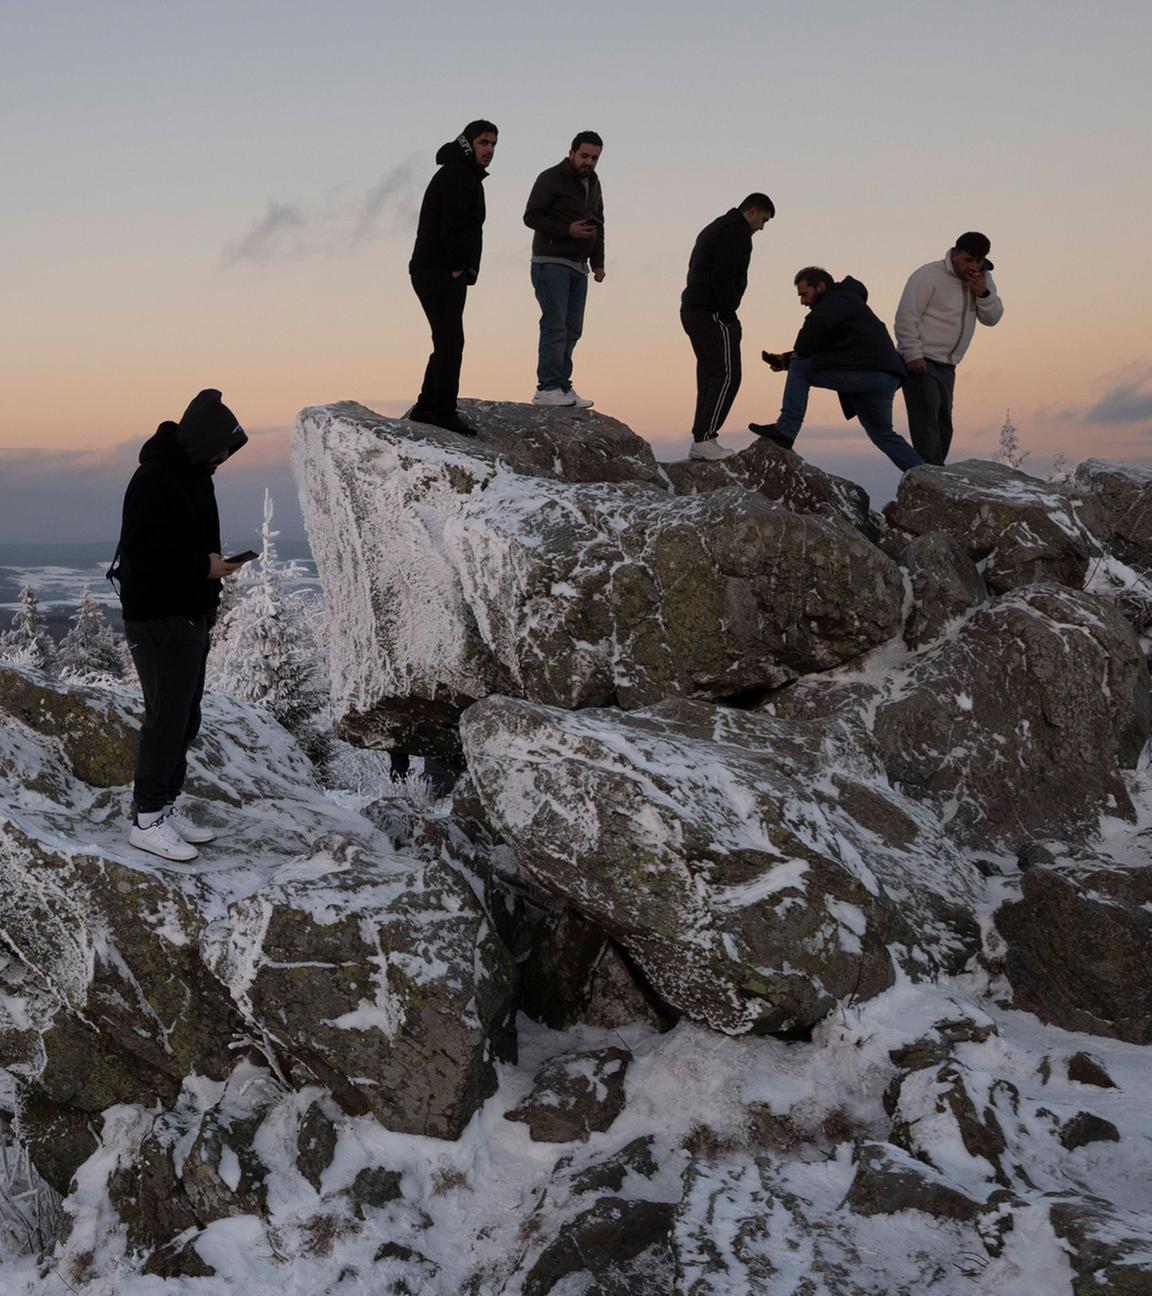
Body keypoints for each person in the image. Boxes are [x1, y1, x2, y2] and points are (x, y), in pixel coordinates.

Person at [110, 389, 248, 862]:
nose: (225, 457)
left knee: (185, 719)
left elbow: (193, 545)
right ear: (203, 441)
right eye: (222, 448)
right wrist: (202, 568)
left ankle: (164, 806)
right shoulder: (153, 478)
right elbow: (142, 554)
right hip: (157, 619)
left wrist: (213, 571)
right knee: (165, 720)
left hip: (190, 615)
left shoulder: (196, 474)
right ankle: (147, 820)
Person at [749, 268, 924, 473]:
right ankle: (925, 475)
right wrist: (787, 359)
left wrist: (796, 358)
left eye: (804, 294)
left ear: (821, 286)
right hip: (886, 375)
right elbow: (827, 347)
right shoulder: (847, 304)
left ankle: (786, 430)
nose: (803, 302)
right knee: (883, 434)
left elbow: (809, 339)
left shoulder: (836, 300)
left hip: (868, 372)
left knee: (800, 368)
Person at [407, 120, 498, 437]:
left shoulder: (462, 174)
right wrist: (459, 265)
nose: (489, 150)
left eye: (493, 145)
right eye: (484, 142)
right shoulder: (458, 174)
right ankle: (442, 412)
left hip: (436, 269)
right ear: (468, 143)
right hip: (439, 270)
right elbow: (454, 223)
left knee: (445, 340)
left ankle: (425, 407)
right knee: (450, 341)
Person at [894, 232, 1004, 464]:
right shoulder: (928, 275)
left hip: (949, 364)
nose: (973, 266)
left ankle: (935, 476)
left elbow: (992, 318)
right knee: (927, 423)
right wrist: (912, 354)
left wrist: (982, 293)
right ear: (954, 254)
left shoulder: (983, 279)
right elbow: (906, 316)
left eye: (978, 261)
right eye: (967, 260)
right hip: (921, 359)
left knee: (944, 424)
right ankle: (931, 478)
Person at [680, 194, 775, 460]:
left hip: (693, 308)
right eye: (763, 220)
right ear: (752, 212)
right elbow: (724, 275)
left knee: (710, 375)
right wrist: (728, 313)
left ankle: (702, 438)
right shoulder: (736, 231)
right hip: (711, 311)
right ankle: (705, 438)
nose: (762, 228)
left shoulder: (716, 226)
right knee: (727, 375)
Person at [523, 131, 606, 408]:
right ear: (571, 153)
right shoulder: (550, 178)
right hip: (550, 262)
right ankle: (547, 388)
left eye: (594, 158)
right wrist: (567, 230)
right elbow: (531, 216)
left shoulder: (593, 183)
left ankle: (562, 386)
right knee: (555, 326)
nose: (589, 162)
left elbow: (599, 223)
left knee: (573, 329)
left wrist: (598, 263)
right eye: (584, 156)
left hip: (579, 267)